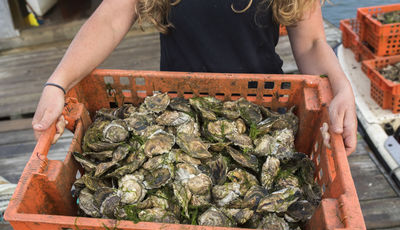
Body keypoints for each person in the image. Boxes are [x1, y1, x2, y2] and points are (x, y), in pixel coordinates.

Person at [32, 0, 357, 155]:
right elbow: (111, 19)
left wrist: (342, 88)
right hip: (178, 117)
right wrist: (57, 82)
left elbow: (313, 43)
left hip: (262, 116)